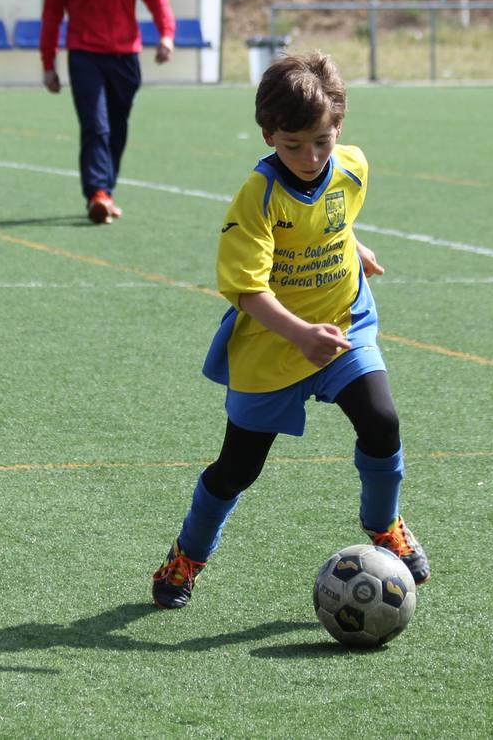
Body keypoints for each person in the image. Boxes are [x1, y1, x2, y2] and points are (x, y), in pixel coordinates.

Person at [150, 52, 429, 610]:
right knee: (238, 469)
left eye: (322, 141)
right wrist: (301, 334)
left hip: (346, 323)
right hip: (271, 346)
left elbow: (334, 219)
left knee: (382, 422)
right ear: (268, 134)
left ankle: (384, 525)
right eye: (293, 144)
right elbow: (248, 290)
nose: (310, 156)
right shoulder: (255, 198)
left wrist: (354, 246)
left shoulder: (352, 167)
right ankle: (187, 555)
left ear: (339, 128)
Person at [40, 0, 176, 224]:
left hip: (125, 57)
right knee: (96, 125)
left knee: (116, 128)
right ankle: (97, 193)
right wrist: (48, 64)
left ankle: (106, 192)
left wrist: (166, 36)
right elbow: (52, 16)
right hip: (85, 57)